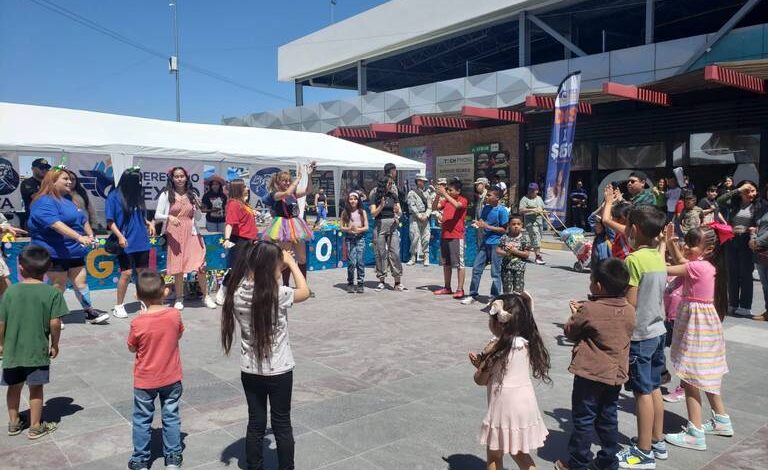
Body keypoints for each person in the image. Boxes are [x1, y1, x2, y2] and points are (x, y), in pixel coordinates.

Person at [221, 241, 310, 470]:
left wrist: (275, 264)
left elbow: (260, 278)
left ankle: (254, 466)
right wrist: (291, 262)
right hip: (279, 370)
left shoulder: (238, 291)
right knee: (282, 424)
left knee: (256, 423)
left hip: (250, 370)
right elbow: (305, 291)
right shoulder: (278, 294)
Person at [554, 258, 636, 470]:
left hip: (589, 373)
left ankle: (578, 464)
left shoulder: (589, 309)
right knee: (608, 418)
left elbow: (570, 332)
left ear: (598, 285)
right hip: (615, 375)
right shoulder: (629, 310)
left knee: (583, 419)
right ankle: (608, 460)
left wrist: (576, 313)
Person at [662, 225, 733, 450]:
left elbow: (668, 268)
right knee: (707, 374)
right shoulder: (706, 265)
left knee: (691, 378)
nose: (686, 246)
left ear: (709, 248)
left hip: (697, 327)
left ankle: (695, 432)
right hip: (704, 326)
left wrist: (662, 246)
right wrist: (672, 243)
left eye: (691, 243)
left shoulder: (696, 267)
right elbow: (683, 260)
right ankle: (721, 421)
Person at [469, 292, 550, 470]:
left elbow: (480, 380)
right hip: (525, 404)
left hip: (503, 407)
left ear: (497, 322)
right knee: (519, 452)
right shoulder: (527, 343)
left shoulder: (495, 349)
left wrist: (481, 365)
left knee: (494, 454)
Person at [616, 205, 668, 469]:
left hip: (641, 336)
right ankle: (657, 441)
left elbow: (630, 302)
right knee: (655, 387)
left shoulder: (633, 260)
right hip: (658, 332)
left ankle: (644, 451)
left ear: (633, 230)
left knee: (642, 392)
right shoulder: (658, 257)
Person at [0, 245, 67, 440]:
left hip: (12, 350)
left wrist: (2, 343)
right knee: (36, 388)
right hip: (37, 350)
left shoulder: (10, 293)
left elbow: (1, 323)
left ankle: (13, 423)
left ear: (20, 269)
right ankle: (36, 426)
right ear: (46, 271)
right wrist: (55, 343)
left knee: (14, 386)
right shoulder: (52, 293)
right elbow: (55, 323)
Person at [28, 166, 109, 325]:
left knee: (81, 282)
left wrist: (90, 236)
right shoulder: (43, 201)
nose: (70, 181)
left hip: (74, 252)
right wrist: (79, 237)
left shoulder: (68, 201)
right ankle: (51, 315)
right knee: (59, 284)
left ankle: (89, 311)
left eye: (70, 179)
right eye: (65, 179)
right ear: (52, 180)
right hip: (53, 252)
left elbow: (82, 219)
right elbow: (55, 224)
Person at [127, 271, 185, 470]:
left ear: (137, 296)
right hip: (171, 377)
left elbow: (132, 347)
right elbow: (178, 335)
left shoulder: (137, 322)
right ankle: (173, 457)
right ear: (165, 291)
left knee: (142, 419)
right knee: (171, 416)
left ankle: (141, 460)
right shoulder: (174, 315)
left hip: (145, 380)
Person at [155, 166, 216, 310]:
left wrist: (198, 209)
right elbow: (157, 215)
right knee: (178, 267)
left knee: (201, 264)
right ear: (172, 178)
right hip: (174, 233)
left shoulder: (192, 194)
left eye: (182, 176)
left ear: (186, 177)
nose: (179, 179)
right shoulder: (166, 194)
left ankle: (206, 296)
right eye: (176, 176)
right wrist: (169, 216)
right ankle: (179, 298)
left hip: (192, 231)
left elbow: (198, 217)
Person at [106, 167, 156, 319]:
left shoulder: (139, 195)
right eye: (135, 180)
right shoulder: (114, 196)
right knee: (126, 273)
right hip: (126, 241)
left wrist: (149, 223)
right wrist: (120, 236)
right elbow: (110, 221)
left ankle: (143, 301)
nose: (138, 183)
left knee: (142, 273)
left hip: (141, 240)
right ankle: (119, 305)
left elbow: (140, 216)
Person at [263, 164, 315, 287]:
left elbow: (308, 190)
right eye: (284, 181)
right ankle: (285, 285)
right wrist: (297, 180)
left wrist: (309, 175)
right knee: (286, 256)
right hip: (283, 226)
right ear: (278, 182)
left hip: (296, 225)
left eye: (288, 181)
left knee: (302, 258)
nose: (287, 183)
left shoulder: (293, 194)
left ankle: (303, 285)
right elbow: (286, 193)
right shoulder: (275, 194)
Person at [717, 180, 759, 317]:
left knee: (746, 273)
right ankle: (733, 303)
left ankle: (745, 306)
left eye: (753, 190)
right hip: (732, 239)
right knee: (732, 273)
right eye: (747, 191)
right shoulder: (735, 204)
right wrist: (739, 189)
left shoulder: (759, 205)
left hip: (747, 240)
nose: (751, 193)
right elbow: (720, 200)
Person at [462, 188, 509, 305]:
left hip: (496, 244)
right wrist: (478, 224)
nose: (486, 197)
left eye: (489, 195)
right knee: (476, 269)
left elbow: (504, 229)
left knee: (495, 272)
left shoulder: (502, 211)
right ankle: (473, 294)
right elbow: (482, 221)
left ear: (497, 198)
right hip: (484, 243)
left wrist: (487, 226)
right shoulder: (485, 208)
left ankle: (495, 297)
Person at [217, 179, 259, 305]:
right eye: (245, 186)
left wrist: (253, 213)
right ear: (239, 188)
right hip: (240, 239)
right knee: (237, 268)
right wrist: (227, 239)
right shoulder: (233, 204)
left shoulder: (243, 203)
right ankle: (223, 290)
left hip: (250, 239)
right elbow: (230, 222)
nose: (247, 188)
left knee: (247, 268)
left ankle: (237, 292)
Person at [432, 179, 468, 299]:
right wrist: (438, 195)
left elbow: (457, 205)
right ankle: (447, 287)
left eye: (450, 190)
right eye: (447, 189)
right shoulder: (446, 201)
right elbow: (434, 208)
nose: (448, 191)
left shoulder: (462, 200)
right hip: (445, 235)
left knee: (459, 264)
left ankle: (460, 289)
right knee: (446, 263)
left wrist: (445, 194)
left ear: (458, 191)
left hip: (456, 236)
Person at [370, 176, 406, 291]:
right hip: (379, 225)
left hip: (392, 225)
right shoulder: (375, 196)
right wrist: (381, 206)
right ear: (383, 184)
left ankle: (397, 281)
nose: (391, 186)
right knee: (380, 253)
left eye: (392, 183)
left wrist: (397, 212)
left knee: (395, 253)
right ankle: (381, 279)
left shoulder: (393, 196)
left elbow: (399, 211)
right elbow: (373, 213)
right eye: (389, 183)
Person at [340, 191, 368, 293]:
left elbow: (366, 227)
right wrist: (349, 229)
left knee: (360, 261)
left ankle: (360, 283)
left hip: (360, 238)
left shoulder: (362, 212)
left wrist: (359, 229)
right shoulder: (345, 212)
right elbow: (342, 227)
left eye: (355, 199)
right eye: (351, 199)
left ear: (358, 200)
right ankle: (350, 283)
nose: (353, 201)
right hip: (349, 238)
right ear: (348, 200)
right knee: (352, 262)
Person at [496, 214, 529, 294]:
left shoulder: (524, 238)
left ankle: (517, 305)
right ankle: (507, 305)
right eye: (513, 224)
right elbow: (497, 250)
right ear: (509, 225)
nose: (516, 226)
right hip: (506, 268)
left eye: (518, 224)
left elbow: (526, 254)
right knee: (507, 291)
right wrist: (506, 253)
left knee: (518, 291)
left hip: (519, 269)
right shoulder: (504, 237)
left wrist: (515, 251)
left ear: (522, 225)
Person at [750, 183, 768, 321]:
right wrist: (753, 238)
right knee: (765, 282)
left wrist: (758, 242)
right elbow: (756, 226)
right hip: (760, 250)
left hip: (762, 246)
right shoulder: (763, 208)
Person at [406, 176, 431, 266]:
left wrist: (427, 214)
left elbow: (430, 206)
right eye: (421, 181)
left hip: (425, 217)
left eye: (424, 181)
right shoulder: (412, 193)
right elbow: (411, 206)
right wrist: (419, 215)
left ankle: (426, 257)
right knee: (414, 237)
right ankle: (413, 257)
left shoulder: (427, 193)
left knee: (426, 238)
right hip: (415, 217)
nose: (423, 183)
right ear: (417, 182)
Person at [19, 158, 51, 229]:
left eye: (46, 168)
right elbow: (37, 198)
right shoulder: (27, 183)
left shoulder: (50, 183)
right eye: (41, 168)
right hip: (34, 220)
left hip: (50, 219)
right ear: (32, 169)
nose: (44, 170)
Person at [519, 183, 546, 265]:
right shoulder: (525, 199)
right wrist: (532, 210)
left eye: (533, 190)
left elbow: (543, 209)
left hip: (539, 221)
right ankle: (538, 256)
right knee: (535, 236)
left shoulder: (539, 199)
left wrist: (548, 221)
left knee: (533, 239)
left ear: (537, 191)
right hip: (530, 222)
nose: (530, 192)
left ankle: (523, 253)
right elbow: (521, 210)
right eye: (529, 190)